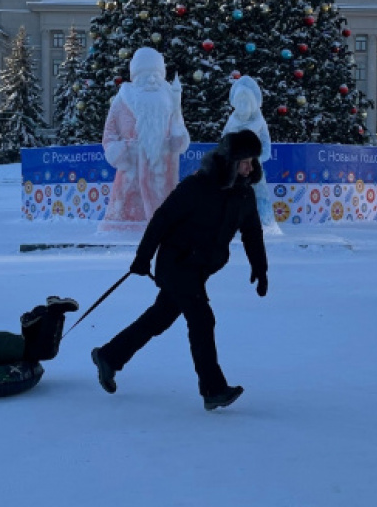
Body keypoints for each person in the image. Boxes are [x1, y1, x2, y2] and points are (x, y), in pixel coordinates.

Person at [91, 130, 269, 411]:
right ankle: (213, 389)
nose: (250, 168)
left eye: (252, 162)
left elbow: (252, 232)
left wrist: (260, 267)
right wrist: (142, 258)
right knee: (202, 319)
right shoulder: (197, 187)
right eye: (244, 161)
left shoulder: (243, 194)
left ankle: (109, 356)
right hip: (177, 263)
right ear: (228, 161)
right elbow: (162, 219)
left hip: (200, 268)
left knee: (158, 319)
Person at [100, 47, 191, 230]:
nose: (151, 79)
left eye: (155, 74)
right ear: (135, 76)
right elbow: (109, 135)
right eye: (145, 73)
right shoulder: (122, 100)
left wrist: (177, 140)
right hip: (130, 177)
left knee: (164, 217)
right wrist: (121, 153)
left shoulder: (169, 99)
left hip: (162, 175)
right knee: (128, 221)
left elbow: (179, 131)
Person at [221, 75, 282, 235]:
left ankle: (265, 224)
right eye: (239, 102)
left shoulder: (260, 123)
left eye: (245, 102)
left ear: (252, 104)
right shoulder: (232, 121)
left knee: (260, 195)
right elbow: (223, 142)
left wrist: (256, 159)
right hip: (234, 168)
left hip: (254, 168)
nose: (241, 106)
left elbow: (266, 146)